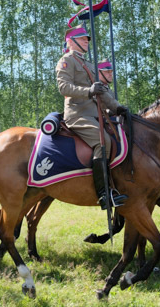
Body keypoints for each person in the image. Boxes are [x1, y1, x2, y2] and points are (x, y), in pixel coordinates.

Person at [55, 25, 128, 209]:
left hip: (96, 115)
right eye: (82, 39)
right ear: (70, 42)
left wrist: (118, 108)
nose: (86, 41)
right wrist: (88, 91)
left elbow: (102, 92)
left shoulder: (88, 65)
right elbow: (64, 87)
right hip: (77, 115)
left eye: (87, 39)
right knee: (103, 142)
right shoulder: (66, 61)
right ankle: (103, 194)